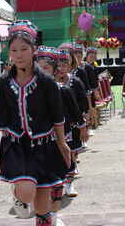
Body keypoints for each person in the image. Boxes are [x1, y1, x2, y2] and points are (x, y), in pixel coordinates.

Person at [0, 20, 70, 226]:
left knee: (42, 203)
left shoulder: (47, 82)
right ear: (8, 52)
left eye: (24, 49)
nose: (19, 54)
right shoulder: (3, 82)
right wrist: (3, 154)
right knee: (27, 194)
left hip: (44, 145)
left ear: (33, 50)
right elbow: (3, 117)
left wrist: (62, 143)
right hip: (17, 146)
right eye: (14, 50)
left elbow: (57, 115)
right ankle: (19, 189)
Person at [35, 46, 86, 210]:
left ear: (54, 70)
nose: (42, 71)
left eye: (46, 68)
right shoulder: (31, 93)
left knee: (65, 165)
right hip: (40, 141)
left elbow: (75, 111)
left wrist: (83, 127)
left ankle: (68, 186)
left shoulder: (63, 90)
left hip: (63, 135)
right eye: (38, 68)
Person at [55, 49, 90, 200]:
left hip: (72, 124)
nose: (61, 69)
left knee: (72, 153)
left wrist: (84, 122)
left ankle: (69, 183)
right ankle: (57, 183)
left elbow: (82, 102)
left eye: (65, 65)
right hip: (54, 127)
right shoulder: (48, 85)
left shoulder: (75, 82)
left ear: (70, 66)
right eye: (58, 66)